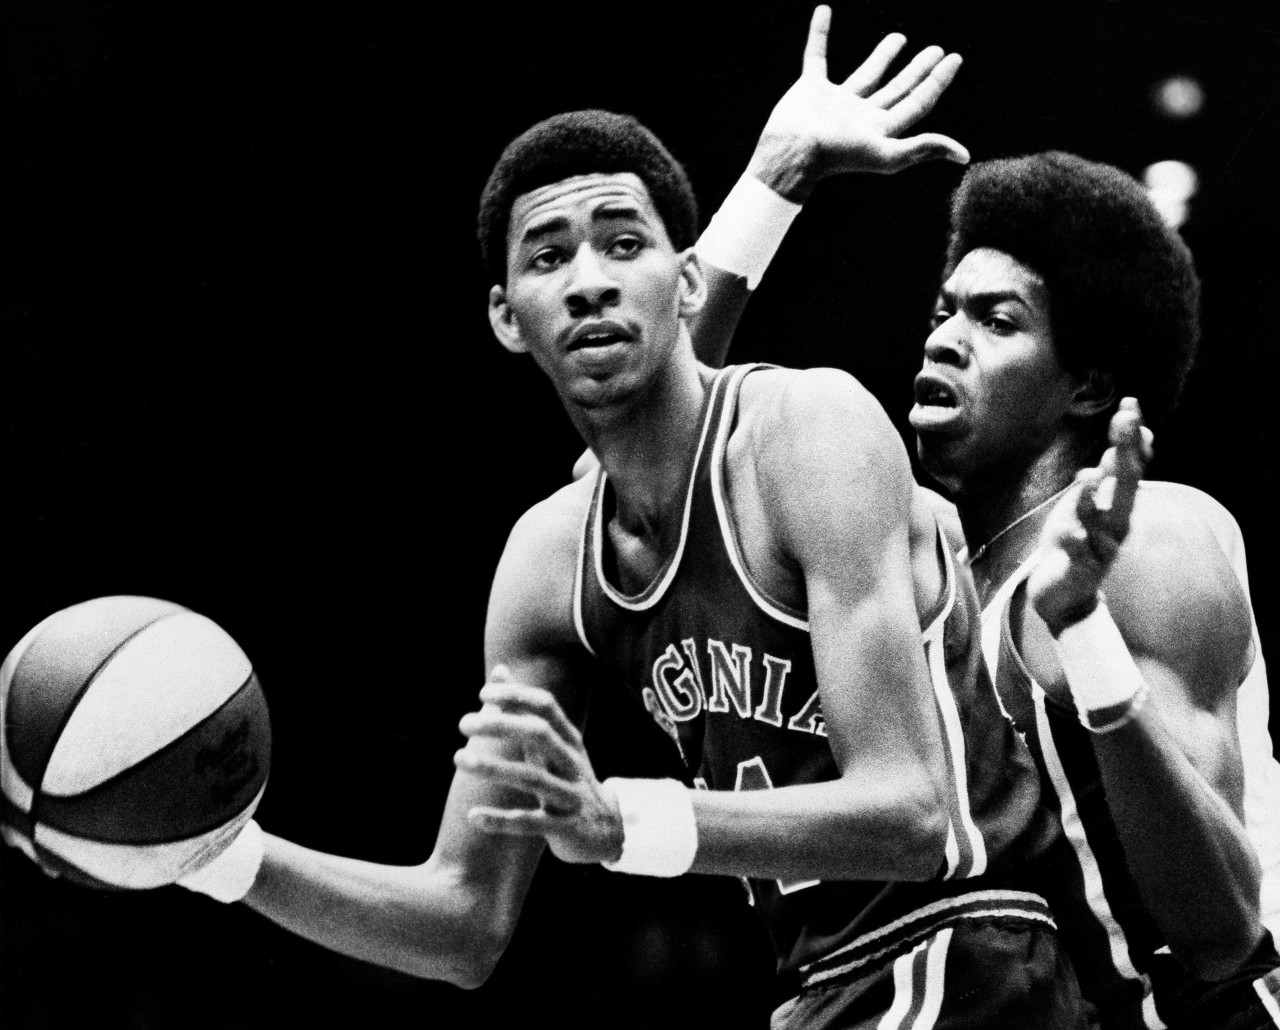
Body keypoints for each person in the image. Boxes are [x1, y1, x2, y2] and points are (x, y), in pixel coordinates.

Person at [4, 11, 1091, 1029]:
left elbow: (910, 816)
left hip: (970, 956)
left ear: (683, 276)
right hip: (817, 989)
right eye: (546, 257)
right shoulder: (546, 558)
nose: (585, 282)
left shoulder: (809, 430)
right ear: (504, 317)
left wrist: (618, 820)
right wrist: (210, 854)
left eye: (624, 242)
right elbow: (462, 922)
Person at [685, 16, 1280, 1028]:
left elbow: (1220, 932)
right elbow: (654, 456)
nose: (946, 339)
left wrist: (1083, 634)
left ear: (1086, 385)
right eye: (940, 313)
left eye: (994, 322)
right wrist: (772, 181)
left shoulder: (1150, 542)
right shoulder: (914, 561)